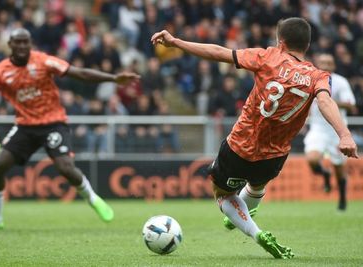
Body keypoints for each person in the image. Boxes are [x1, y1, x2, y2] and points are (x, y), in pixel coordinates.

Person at [151, 17, 358, 259]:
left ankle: (254, 231)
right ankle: (244, 214)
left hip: (239, 145)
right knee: (257, 185)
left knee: (223, 195)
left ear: (281, 42)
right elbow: (325, 101)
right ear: (308, 45)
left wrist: (176, 42)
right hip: (274, 156)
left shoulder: (268, 56)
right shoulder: (318, 76)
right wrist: (344, 135)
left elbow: (219, 53)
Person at [0, 28, 139, 232]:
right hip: (25, 126)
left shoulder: (43, 61)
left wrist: (113, 78)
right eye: (17, 42)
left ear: (30, 44)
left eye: (25, 42)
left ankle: (93, 199)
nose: (22, 46)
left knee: (65, 167)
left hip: (53, 123)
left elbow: (79, 73)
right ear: (10, 45)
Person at [304, 53, 356, 211]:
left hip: (337, 130)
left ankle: (342, 199)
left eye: (329, 62)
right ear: (317, 64)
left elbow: (350, 105)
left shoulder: (340, 82)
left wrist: (325, 99)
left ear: (333, 66)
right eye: (322, 62)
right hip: (318, 128)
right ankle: (325, 174)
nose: (326, 65)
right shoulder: (310, 79)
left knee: (339, 168)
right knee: (312, 160)